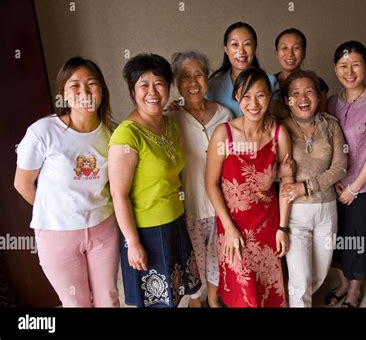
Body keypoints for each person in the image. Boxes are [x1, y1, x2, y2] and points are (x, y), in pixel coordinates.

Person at [14, 57, 119, 307]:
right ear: (63, 93)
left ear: (102, 90)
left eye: (92, 84)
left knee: (108, 300)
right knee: (76, 304)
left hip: (103, 229)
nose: (84, 92)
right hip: (57, 235)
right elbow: (23, 184)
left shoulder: (112, 134)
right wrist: (56, 212)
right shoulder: (43, 132)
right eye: (75, 86)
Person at [108, 53, 201, 308]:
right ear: (132, 91)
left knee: (175, 295)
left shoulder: (169, 125)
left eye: (159, 83)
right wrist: (133, 243)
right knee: (156, 301)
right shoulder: (127, 135)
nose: (152, 91)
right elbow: (118, 195)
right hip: (147, 232)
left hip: (174, 224)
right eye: (143, 85)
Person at [205, 67, 294, 307]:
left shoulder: (279, 134)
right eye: (246, 96)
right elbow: (211, 184)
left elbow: (286, 181)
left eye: (261, 95)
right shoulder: (223, 135)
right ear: (236, 98)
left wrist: (283, 228)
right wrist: (229, 228)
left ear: (270, 96)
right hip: (233, 225)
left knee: (269, 287)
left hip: (268, 223)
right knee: (242, 291)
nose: (253, 103)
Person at [326, 41, 366, 308]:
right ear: (335, 69)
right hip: (335, 185)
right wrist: (337, 182)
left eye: (355, 65)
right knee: (339, 236)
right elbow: (325, 146)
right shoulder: (330, 102)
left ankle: (354, 289)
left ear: (365, 66)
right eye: (343, 66)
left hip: (365, 187)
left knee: (359, 238)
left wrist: (353, 188)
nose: (349, 71)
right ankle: (342, 282)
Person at [169, 51, 233, 308]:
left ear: (208, 79)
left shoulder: (226, 115)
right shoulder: (170, 119)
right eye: (185, 76)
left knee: (220, 262)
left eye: (199, 75)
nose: (193, 82)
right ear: (177, 83)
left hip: (223, 207)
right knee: (196, 266)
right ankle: (197, 302)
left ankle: (215, 301)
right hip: (191, 207)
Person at [281, 70, 347, 307]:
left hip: (327, 211)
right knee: (300, 280)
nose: (303, 98)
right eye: (295, 93)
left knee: (318, 275)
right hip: (295, 214)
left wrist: (307, 186)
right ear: (287, 99)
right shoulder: (280, 128)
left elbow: (341, 166)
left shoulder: (331, 125)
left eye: (309, 91)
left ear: (318, 96)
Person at [207, 21, 285, 118]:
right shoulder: (212, 86)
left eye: (247, 44)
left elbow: (279, 117)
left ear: (255, 48)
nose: (241, 51)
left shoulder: (270, 81)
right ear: (226, 49)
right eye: (235, 44)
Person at [274, 28, 330, 113]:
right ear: (277, 53)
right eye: (284, 48)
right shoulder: (268, 83)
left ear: (304, 53)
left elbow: (320, 120)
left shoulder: (318, 83)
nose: (290, 53)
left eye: (296, 48)